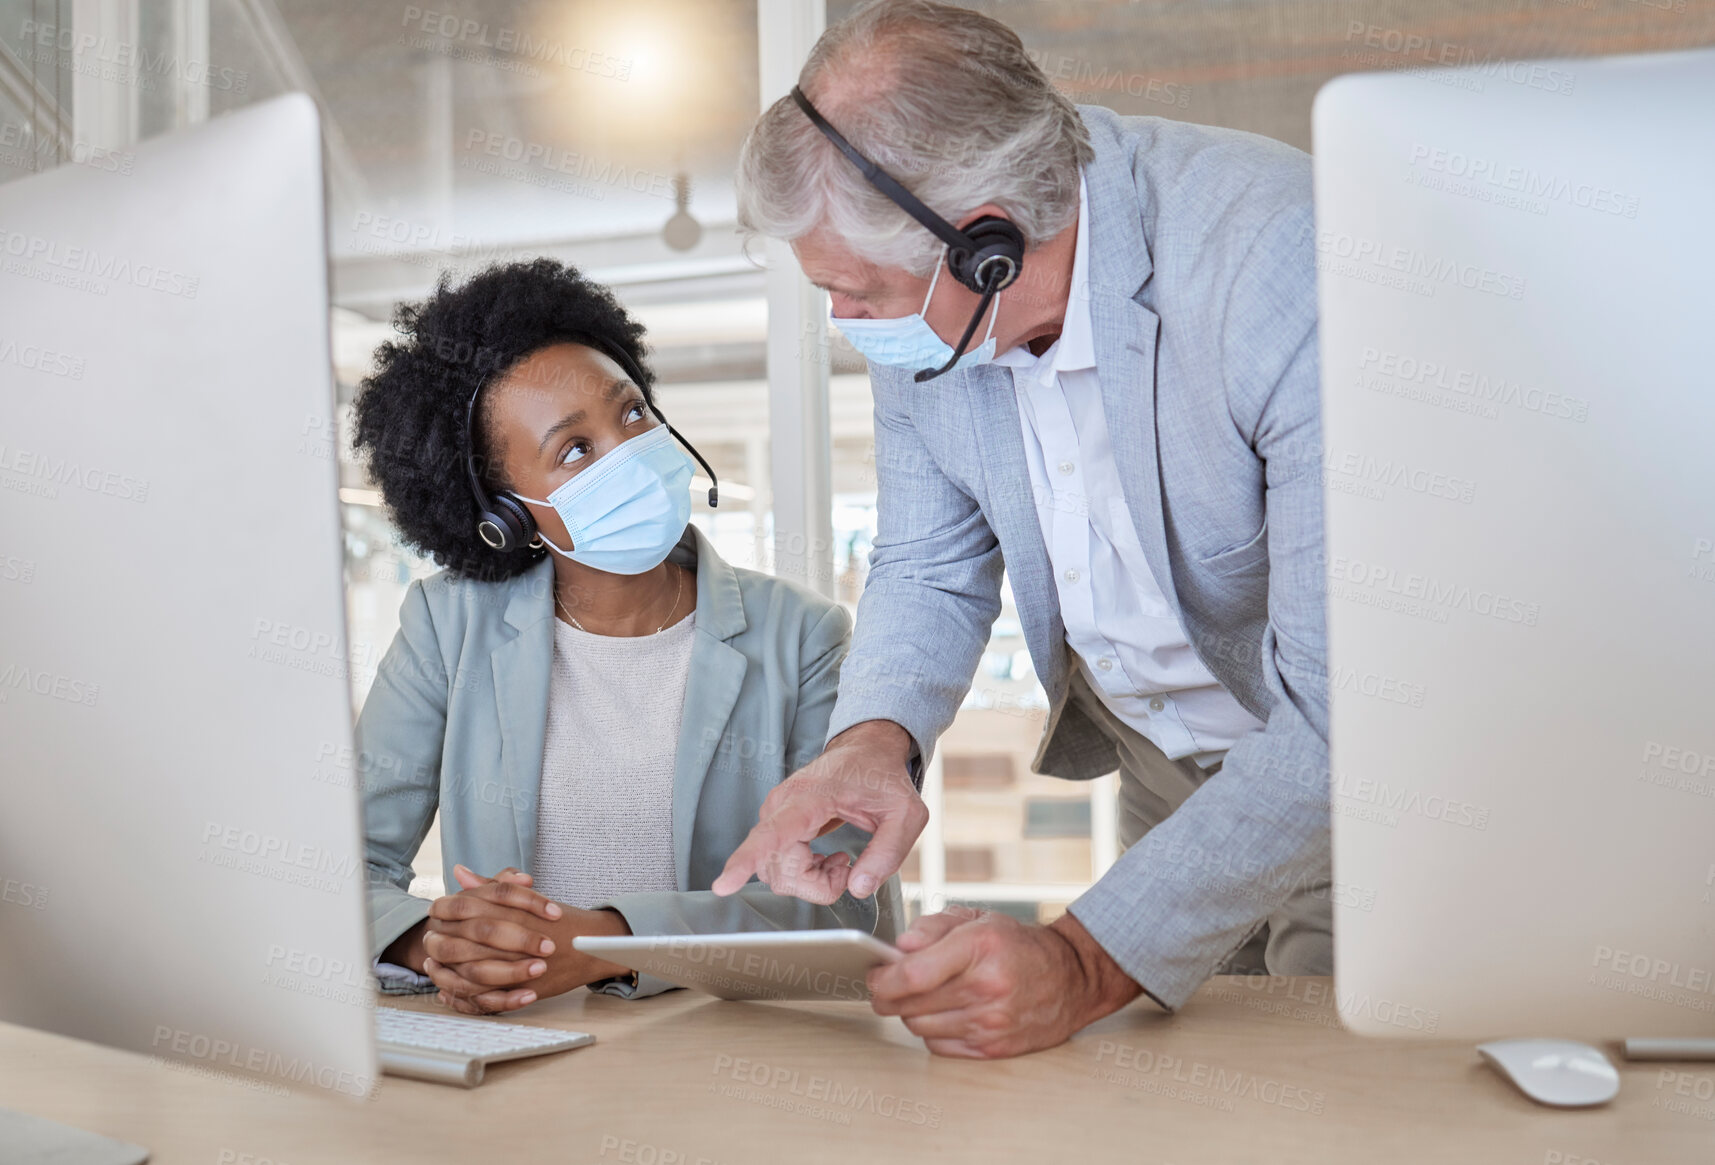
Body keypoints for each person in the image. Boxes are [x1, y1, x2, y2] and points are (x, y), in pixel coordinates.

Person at [714, 0, 1332, 1057]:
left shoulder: (1279, 265)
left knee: (1326, 1083)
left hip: (1330, 769)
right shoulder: (917, 317)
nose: (847, 326)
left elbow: (1342, 711)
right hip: (1158, 766)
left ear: (987, 242)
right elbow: (928, 562)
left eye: (860, 293)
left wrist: (1083, 958)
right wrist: (872, 743)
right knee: (1169, 1083)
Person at [350, 258, 900, 1013]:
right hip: (508, 1040)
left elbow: (839, 910)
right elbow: (340, 866)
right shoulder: (445, 627)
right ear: (506, 513)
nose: (630, 452)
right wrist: (432, 941)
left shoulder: (803, 638)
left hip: (713, 1050)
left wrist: (601, 941)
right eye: (574, 449)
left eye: (632, 412)